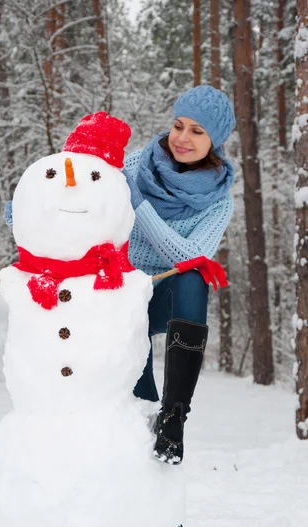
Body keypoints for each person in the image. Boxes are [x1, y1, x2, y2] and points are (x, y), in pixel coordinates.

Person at [123, 85, 236, 466]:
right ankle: (148, 414)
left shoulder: (219, 200)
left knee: (194, 276)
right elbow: (90, 194)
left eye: (197, 131)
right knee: (135, 408)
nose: (182, 138)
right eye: (178, 125)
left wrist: (139, 207)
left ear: (214, 140)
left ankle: (174, 417)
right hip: (122, 293)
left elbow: (188, 257)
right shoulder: (138, 164)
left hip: (169, 292)